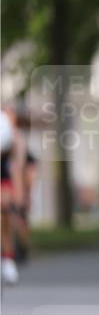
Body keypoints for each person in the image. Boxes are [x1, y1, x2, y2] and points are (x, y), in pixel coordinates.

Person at [1, 107, 28, 285]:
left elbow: (17, 167)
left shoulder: (13, 137)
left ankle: (8, 259)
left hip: (4, 175)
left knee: (5, 210)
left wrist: (20, 196)